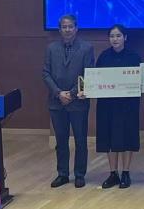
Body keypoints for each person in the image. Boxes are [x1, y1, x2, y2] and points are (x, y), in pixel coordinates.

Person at [85, 24, 140, 189]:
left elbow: (141, 80)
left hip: (128, 105)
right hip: (107, 105)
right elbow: (95, 80)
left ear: (125, 38)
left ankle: (126, 172)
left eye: (118, 36)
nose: (115, 39)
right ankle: (113, 173)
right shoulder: (103, 57)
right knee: (109, 137)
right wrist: (87, 90)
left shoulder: (134, 57)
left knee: (127, 137)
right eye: (112, 36)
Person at [43, 13, 94, 188]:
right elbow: (46, 73)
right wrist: (59, 93)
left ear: (76, 28)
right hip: (56, 102)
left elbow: (88, 74)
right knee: (61, 141)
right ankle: (62, 174)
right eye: (64, 27)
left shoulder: (86, 48)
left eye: (70, 26)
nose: (67, 30)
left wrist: (71, 94)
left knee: (80, 140)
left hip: (78, 102)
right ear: (59, 30)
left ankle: (80, 174)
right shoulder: (51, 48)